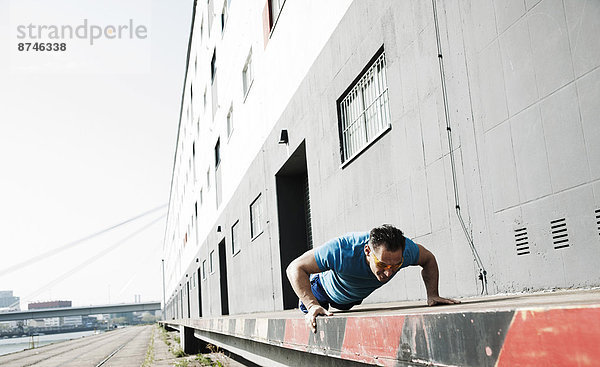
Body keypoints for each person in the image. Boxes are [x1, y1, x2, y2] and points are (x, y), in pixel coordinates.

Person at [286, 224, 460, 333]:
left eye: (396, 266)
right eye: (383, 265)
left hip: (351, 299)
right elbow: (295, 267)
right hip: (323, 291)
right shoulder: (341, 249)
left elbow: (428, 259)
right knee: (316, 313)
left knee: (345, 305)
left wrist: (433, 294)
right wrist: (311, 305)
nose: (388, 273)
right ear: (368, 252)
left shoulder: (407, 251)